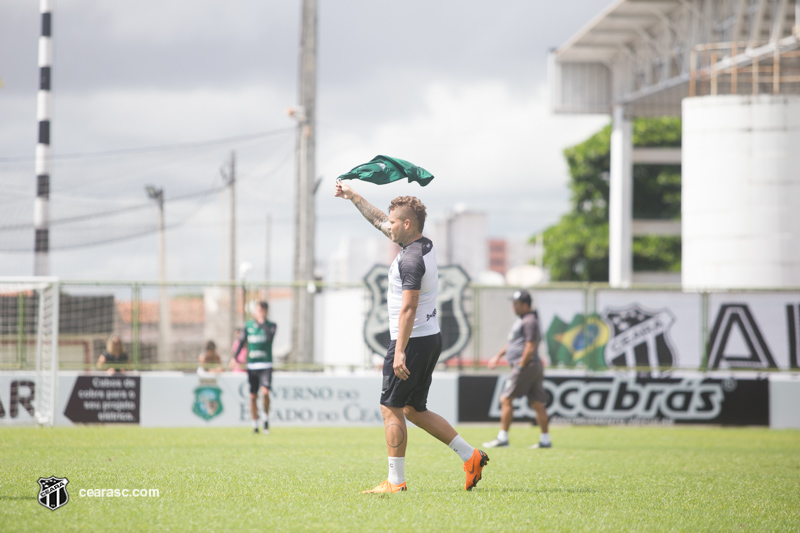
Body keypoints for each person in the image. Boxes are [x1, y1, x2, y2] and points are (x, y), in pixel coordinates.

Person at [335, 179, 489, 493]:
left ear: (407, 224)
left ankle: (395, 481)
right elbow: (379, 219)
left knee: (390, 406)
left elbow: (409, 307)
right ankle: (470, 455)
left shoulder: (410, 260)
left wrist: (400, 351)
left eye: (393, 222)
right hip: (429, 337)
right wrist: (353, 195)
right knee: (413, 409)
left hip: (411, 341)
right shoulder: (421, 245)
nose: (387, 226)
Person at [483, 289, 551, 450]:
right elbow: (514, 343)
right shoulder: (524, 319)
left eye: (517, 303)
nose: (513, 306)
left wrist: (521, 365)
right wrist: (498, 356)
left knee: (506, 399)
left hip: (527, 365)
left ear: (525, 305)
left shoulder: (529, 321)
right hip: (532, 365)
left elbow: (531, 344)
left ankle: (502, 437)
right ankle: (545, 440)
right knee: (537, 403)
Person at [231, 301, 277, 434]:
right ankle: (255, 424)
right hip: (252, 365)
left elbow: (269, 337)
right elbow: (241, 342)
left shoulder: (271, 326)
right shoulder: (248, 326)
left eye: (261, 310)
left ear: (265, 311)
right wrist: (235, 357)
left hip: (266, 364)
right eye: (257, 310)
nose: (259, 313)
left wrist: (262, 323)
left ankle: (266, 420)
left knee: (265, 392)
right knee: (252, 396)